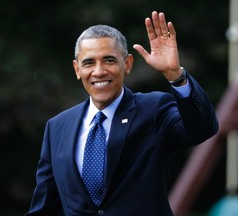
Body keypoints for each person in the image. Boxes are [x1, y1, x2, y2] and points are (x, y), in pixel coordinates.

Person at [25, 11, 218, 216]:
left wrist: (176, 76)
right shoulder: (57, 127)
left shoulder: (154, 109)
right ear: (77, 69)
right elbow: (45, 207)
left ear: (127, 64)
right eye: (89, 63)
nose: (99, 71)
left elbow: (202, 128)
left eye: (109, 60)